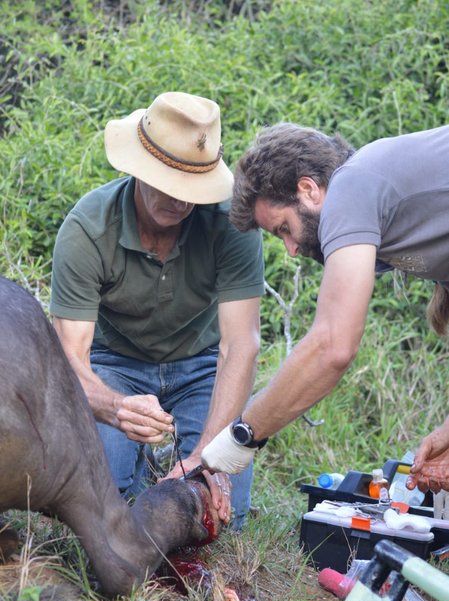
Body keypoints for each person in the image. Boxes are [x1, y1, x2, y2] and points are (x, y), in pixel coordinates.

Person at [50, 91, 265, 530]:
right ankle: (141, 460)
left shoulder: (231, 224)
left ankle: (173, 459)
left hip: (204, 364)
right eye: (169, 183)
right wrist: (114, 407)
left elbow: (240, 345)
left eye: (193, 187)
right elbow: (70, 359)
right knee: (99, 503)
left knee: (226, 517)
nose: (181, 200)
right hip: (114, 364)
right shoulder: (88, 229)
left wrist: (210, 456)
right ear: (139, 169)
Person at [197, 122, 449, 495]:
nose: (292, 249)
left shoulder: (353, 183)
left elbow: (332, 346)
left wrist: (240, 437)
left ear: (308, 189)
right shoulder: (410, 216)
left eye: (284, 228)